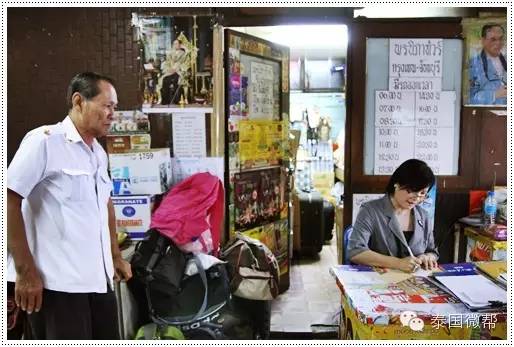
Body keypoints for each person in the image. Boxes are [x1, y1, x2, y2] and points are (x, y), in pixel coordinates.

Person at [7, 72, 132, 339]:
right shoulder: (44, 142)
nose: (113, 114)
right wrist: (25, 272)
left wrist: (115, 256)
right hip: (58, 287)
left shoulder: (97, 152)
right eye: (107, 106)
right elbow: (9, 199)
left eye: (115, 107)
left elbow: (105, 204)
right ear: (79, 102)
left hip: (98, 282)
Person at [347, 159, 438, 273]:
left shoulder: (423, 216)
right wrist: (398, 263)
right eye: (412, 190)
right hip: (379, 282)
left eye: (422, 193)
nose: (417, 198)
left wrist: (428, 257)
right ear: (397, 184)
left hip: (414, 282)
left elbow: (432, 251)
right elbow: (355, 252)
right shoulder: (370, 211)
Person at [468, 23, 507, 105]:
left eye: (501, 39)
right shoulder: (474, 64)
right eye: (493, 39)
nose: (498, 43)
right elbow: (470, 99)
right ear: (483, 41)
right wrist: (494, 95)